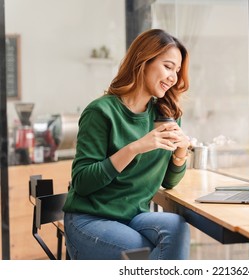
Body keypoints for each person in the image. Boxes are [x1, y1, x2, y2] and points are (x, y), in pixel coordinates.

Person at [62, 29, 191, 260]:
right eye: (168, 66)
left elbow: (168, 182)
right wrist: (135, 147)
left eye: (177, 71)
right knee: (141, 251)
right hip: (90, 218)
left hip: (135, 217)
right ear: (143, 61)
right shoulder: (101, 111)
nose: (173, 77)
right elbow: (81, 183)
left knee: (177, 227)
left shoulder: (166, 114)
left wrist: (181, 151)